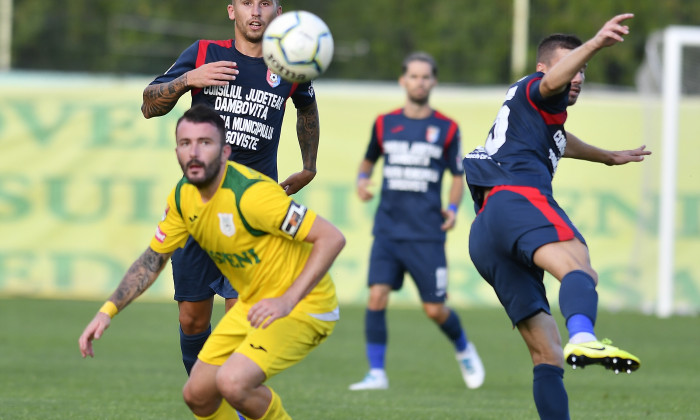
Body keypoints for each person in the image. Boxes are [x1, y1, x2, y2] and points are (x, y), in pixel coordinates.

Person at [79, 104, 344, 420]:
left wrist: (287, 301)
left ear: (224, 152)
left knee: (234, 383)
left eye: (205, 143)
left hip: (304, 305)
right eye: (185, 143)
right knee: (197, 394)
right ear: (176, 150)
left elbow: (331, 238)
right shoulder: (182, 198)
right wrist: (107, 312)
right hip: (254, 303)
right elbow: (152, 259)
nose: (194, 152)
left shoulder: (253, 193)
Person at [463, 14, 649, 419]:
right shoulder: (536, 87)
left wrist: (607, 157)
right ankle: (583, 335)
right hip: (516, 200)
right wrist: (597, 42)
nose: (578, 76)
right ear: (544, 68)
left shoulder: (537, 118)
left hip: (487, 232)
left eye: (583, 69)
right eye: (573, 66)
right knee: (580, 268)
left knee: (546, 353)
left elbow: (561, 141)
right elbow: (550, 83)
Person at [141, 0, 321, 375]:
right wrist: (188, 79)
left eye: (265, 3)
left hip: (253, 214)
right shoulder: (204, 53)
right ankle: (205, 398)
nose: (255, 11)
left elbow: (306, 108)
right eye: (246, 3)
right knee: (192, 320)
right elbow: (149, 105)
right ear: (231, 11)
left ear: (277, 11)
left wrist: (308, 166)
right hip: (200, 209)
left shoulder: (290, 63)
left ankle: (232, 406)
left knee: (240, 322)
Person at [348, 52, 485, 392]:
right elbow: (367, 163)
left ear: (433, 82)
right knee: (376, 296)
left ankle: (463, 347)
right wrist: (362, 181)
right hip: (388, 230)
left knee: (435, 309)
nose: (419, 82)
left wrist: (452, 209)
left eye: (426, 77)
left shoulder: (447, 127)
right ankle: (376, 373)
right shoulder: (384, 123)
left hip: (426, 233)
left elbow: (457, 174)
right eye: (413, 76)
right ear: (402, 81)